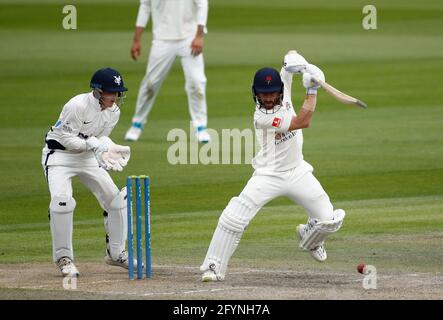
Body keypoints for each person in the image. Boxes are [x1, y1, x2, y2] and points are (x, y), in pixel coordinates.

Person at [199, 51, 346, 281]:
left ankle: (309, 237)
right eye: (263, 94)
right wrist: (312, 89)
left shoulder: (284, 86)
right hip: (268, 175)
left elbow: (289, 59)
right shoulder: (261, 117)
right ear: (255, 94)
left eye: (272, 93)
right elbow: (302, 122)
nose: (268, 99)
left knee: (329, 220)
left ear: (280, 91)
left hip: (298, 171)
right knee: (234, 217)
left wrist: (301, 65)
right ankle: (213, 267)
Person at [42, 67, 138, 277]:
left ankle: (116, 253)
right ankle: (64, 258)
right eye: (111, 92)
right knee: (62, 202)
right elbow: (66, 139)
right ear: (97, 91)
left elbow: (100, 138)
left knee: (116, 200)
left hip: (86, 157)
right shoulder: (77, 105)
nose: (115, 96)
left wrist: (105, 148)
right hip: (60, 156)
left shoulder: (114, 112)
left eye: (117, 92)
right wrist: (94, 145)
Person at [125, 0, 210, 143]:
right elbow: (145, 6)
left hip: (189, 37)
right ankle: (137, 124)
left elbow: (202, 4)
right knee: (150, 83)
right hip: (162, 39)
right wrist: (136, 40)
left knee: (196, 82)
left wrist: (199, 35)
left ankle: (201, 127)